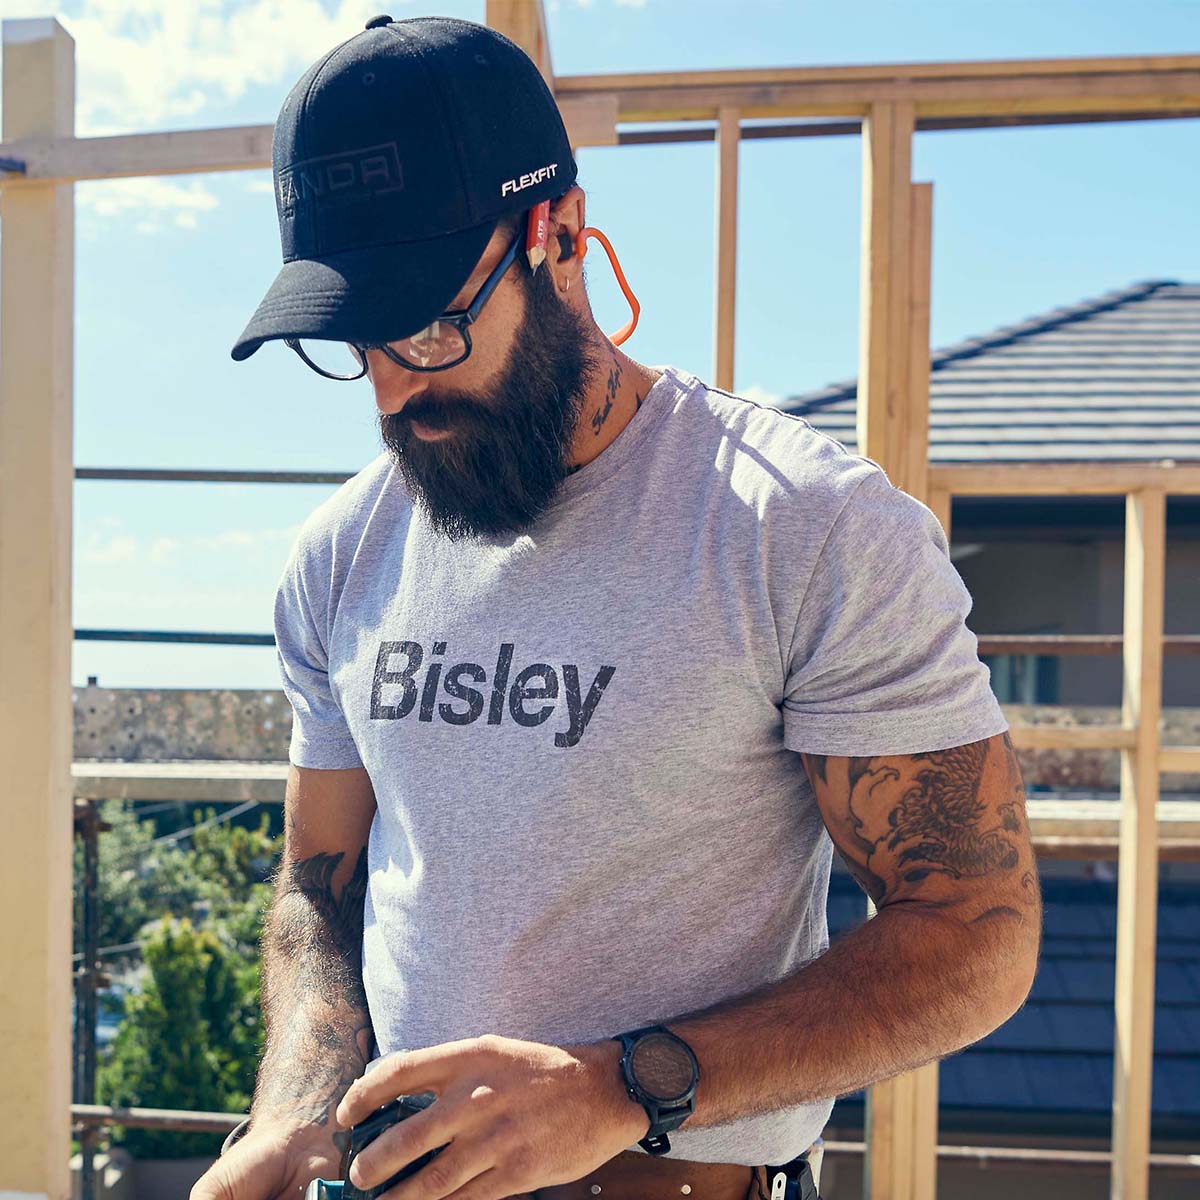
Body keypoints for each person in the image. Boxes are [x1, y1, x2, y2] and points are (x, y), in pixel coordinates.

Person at [193, 14, 1042, 1200]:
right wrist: (293, 1118)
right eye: (355, 343)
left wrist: (618, 1088)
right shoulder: (342, 554)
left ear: (559, 234)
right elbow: (318, 890)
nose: (395, 393)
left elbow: (975, 932)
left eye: (431, 326)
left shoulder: (802, 528)